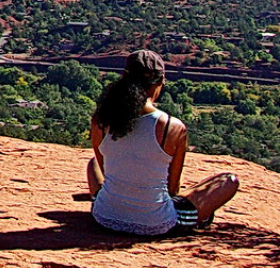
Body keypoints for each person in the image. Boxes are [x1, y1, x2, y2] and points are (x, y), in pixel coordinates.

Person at [87, 50, 239, 236]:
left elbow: (104, 169)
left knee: (94, 163)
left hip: (104, 216)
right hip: (156, 224)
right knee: (228, 181)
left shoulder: (101, 120)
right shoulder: (171, 127)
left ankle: (109, 200)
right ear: (159, 83)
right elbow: (172, 189)